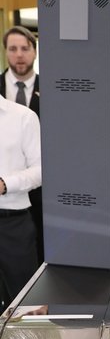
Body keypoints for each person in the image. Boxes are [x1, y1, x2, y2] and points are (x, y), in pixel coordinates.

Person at [1, 26, 44, 264]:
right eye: (13, 49)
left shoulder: (53, 88)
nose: (19, 55)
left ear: (35, 52)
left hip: (37, 197)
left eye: (25, 49)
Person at [0, 93, 41, 307]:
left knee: (23, 306)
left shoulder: (23, 117)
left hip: (13, 224)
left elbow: (41, 169)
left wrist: (5, 184)